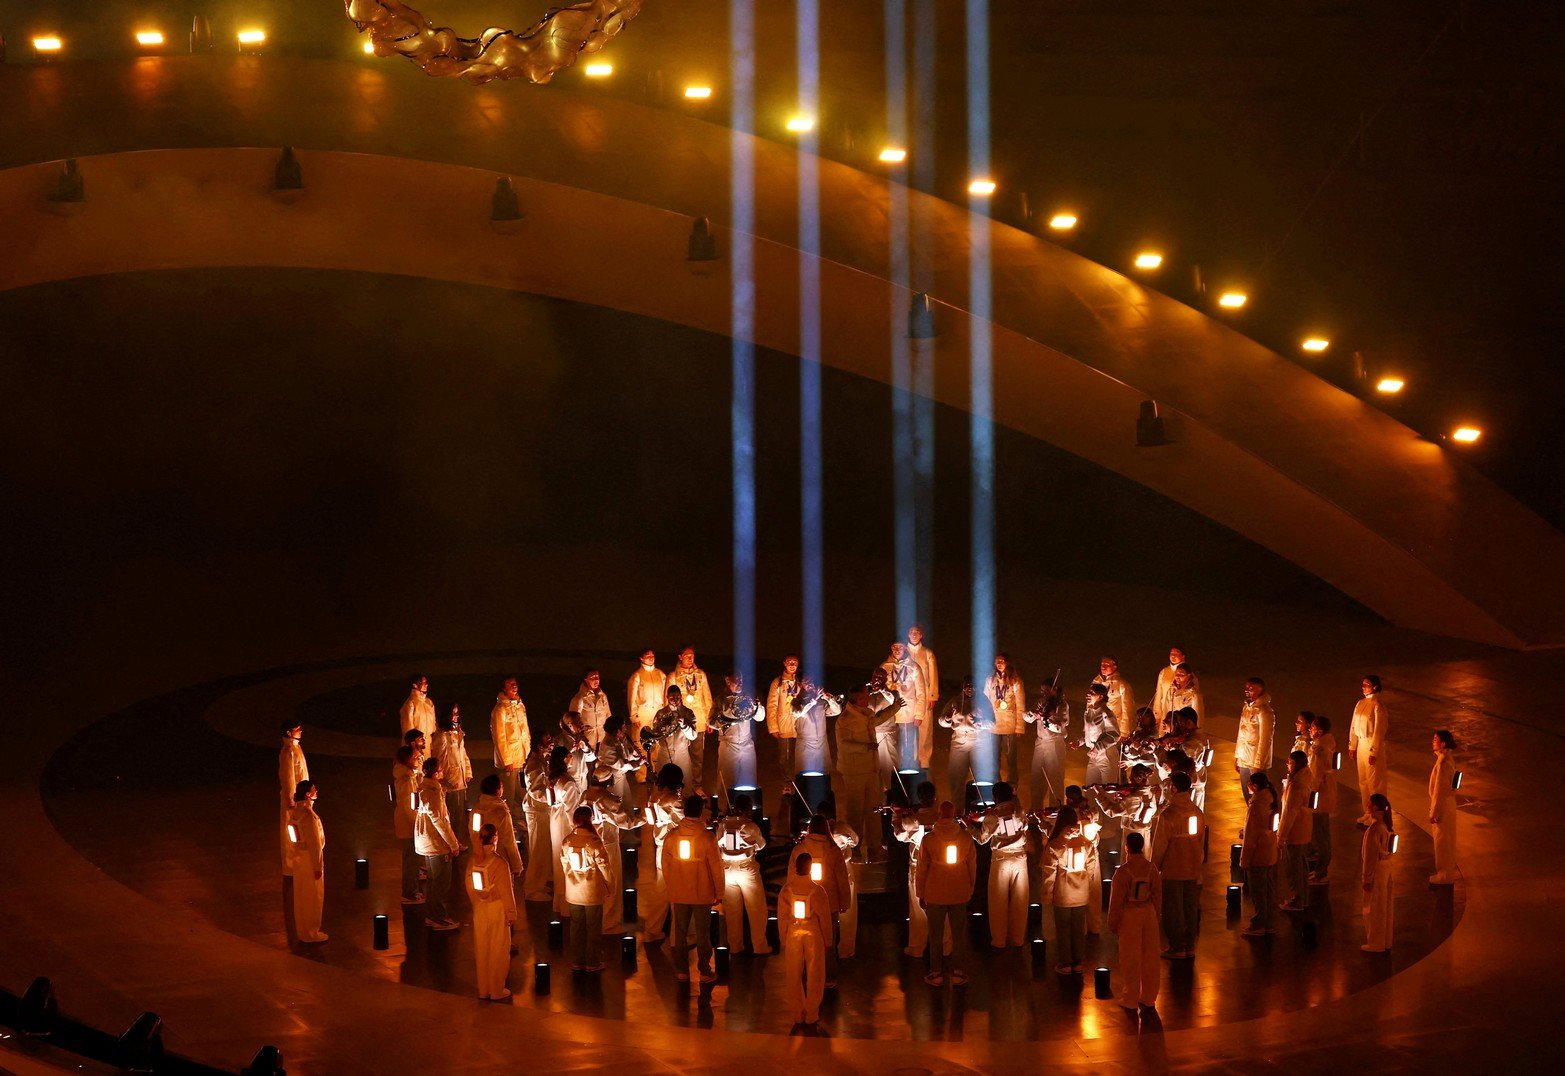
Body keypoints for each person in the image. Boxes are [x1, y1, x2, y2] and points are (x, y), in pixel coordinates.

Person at [662, 795, 723, 984]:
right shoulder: (707, 837)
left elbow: (665, 864)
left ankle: (681, 970)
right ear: (701, 811)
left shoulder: (672, 835)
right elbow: (716, 867)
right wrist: (719, 892)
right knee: (703, 932)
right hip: (702, 892)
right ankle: (705, 970)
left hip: (679, 891)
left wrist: (672, 885)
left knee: (680, 931)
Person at [915, 801, 977, 986]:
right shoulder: (966, 838)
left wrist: (920, 892)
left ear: (939, 815)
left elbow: (922, 869)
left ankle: (936, 972)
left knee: (935, 935)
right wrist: (970, 888)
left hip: (934, 893)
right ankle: (958, 972)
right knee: (958, 935)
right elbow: (972, 867)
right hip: (959, 892)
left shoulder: (929, 839)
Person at [834, 681, 894, 862]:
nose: (868, 698)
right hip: (854, 772)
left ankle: (875, 847)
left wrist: (895, 708)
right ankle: (855, 847)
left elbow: (877, 720)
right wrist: (865, 747)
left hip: (870, 769)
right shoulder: (845, 720)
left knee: (874, 810)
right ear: (858, 699)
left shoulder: (866, 713)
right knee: (855, 810)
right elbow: (844, 745)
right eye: (865, 697)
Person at [581, 764, 641, 933]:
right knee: (611, 882)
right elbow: (626, 822)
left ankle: (594, 920)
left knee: (595, 883)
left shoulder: (586, 794)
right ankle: (609, 921)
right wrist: (646, 818)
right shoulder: (606, 798)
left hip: (589, 842)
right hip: (607, 843)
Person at [895, 781, 951, 959]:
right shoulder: (940, 818)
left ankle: (917, 947)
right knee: (942, 907)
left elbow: (899, 835)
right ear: (935, 798)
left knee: (917, 909)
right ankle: (946, 946)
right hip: (940, 868)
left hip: (917, 867)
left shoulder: (912, 820)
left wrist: (896, 816)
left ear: (918, 798)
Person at [1151, 771, 1204, 959]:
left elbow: (1159, 846)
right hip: (1192, 865)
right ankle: (1190, 944)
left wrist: (1155, 866)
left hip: (1173, 868)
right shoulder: (1197, 812)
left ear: (1173, 788)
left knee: (1173, 908)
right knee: (1190, 906)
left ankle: (1177, 946)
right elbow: (1200, 840)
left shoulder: (1168, 815)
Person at [778, 853, 833, 1031]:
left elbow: (782, 916)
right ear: (811, 868)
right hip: (813, 931)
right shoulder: (817, 890)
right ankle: (811, 1012)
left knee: (793, 972)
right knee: (815, 971)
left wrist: (783, 936)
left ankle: (797, 1012)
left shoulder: (787, 889)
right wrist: (828, 938)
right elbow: (825, 917)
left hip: (794, 931)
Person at [1108, 830, 1161, 1015]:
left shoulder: (1123, 872)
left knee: (1130, 956)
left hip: (1130, 914)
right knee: (1151, 955)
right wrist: (1157, 914)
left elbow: (1116, 901)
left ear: (1127, 847)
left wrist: (1113, 922)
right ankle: (1149, 996)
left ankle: (1130, 997)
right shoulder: (1151, 868)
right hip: (1149, 913)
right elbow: (1157, 894)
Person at [977, 781, 1034, 948]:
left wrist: (969, 827)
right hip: (1019, 858)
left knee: (997, 901)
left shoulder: (992, 816)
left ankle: (999, 940)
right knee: (1021, 900)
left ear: (995, 797)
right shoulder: (1020, 811)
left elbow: (982, 839)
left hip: (1000, 859)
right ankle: (1017, 939)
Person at [560, 805, 614, 972]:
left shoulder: (567, 841)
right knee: (593, 927)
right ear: (590, 819)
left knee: (576, 927)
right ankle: (593, 961)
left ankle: (577, 960)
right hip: (592, 891)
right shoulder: (594, 842)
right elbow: (605, 868)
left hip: (573, 892)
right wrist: (609, 885)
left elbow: (564, 866)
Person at [715, 794, 771, 954]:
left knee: (732, 910)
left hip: (727, 869)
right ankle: (760, 946)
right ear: (748, 808)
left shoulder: (723, 824)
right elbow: (761, 845)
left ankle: (735, 946)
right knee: (756, 908)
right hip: (746, 868)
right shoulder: (751, 826)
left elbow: (717, 843)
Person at [1046, 805, 1097, 974]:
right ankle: (1078, 961)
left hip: (1062, 892)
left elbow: (1049, 872)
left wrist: (1047, 894)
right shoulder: (1085, 841)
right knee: (1078, 928)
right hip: (1081, 892)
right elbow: (1091, 868)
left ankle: (1065, 963)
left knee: (1063, 929)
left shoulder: (1056, 844)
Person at [471, 774, 523, 938]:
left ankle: (487, 931)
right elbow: (508, 840)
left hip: (480, 858)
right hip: (500, 859)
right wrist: (517, 864)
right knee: (504, 896)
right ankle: (506, 936)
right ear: (497, 790)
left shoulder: (476, 810)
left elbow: (474, 834)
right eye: (501, 786)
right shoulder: (501, 811)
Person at [638, 764, 686, 942]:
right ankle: (678, 936)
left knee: (661, 891)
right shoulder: (674, 799)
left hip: (659, 848)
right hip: (675, 850)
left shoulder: (654, 796)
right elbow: (687, 819)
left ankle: (652, 930)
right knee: (678, 892)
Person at [468, 822, 517, 997]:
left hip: (480, 909)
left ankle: (483, 989)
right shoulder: (499, 863)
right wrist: (511, 913)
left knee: (482, 949)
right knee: (498, 949)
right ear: (495, 838)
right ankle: (496, 989)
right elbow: (506, 891)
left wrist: (478, 902)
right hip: (497, 909)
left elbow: (470, 887)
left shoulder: (474, 860)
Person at [415, 756, 462, 930]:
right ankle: (438, 917)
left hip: (427, 842)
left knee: (434, 880)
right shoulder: (432, 793)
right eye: (441, 769)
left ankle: (432, 914)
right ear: (435, 774)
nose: (443, 771)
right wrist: (453, 843)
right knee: (441, 882)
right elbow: (439, 820)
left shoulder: (425, 788)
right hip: (436, 843)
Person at [546, 743, 590, 917]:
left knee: (558, 861)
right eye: (569, 756)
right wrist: (579, 828)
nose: (572, 757)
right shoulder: (568, 782)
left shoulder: (554, 778)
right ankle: (567, 905)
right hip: (565, 823)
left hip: (555, 821)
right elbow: (571, 810)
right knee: (568, 862)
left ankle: (559, 903)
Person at [1240, 772, 1279, 938]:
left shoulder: (1256, 805)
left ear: (1254, 786)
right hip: (1270, 849)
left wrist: (1244, 859)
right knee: (1269, 889)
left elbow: (1251, 835)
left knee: (1258, 891)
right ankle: (1269, 922)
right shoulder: (1271, 799)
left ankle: (1259, 923)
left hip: (1258, 853)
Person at [287, 780, 327, 943]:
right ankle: (311, 932)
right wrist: (317, 866)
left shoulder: (295, 812)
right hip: (309, 860)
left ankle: (302, 930)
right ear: (307, 794)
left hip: (298, 858)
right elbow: (315, 844)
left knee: (301, 896)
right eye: (313, 789)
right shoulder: (309, 816)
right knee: (313, 897)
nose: (316, 790)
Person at [713, 670, 767, 792]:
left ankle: (747, 806)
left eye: (741, 680)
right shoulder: (720, 700)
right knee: (727, 779)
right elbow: (710, 722)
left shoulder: (747, 697)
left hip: (746, 744)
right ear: (727, 681)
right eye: (736, 680)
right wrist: (725, 720)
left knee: (749, 777)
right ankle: (724, 807)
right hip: (728, 745)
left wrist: (757, 706)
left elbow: (760, 718)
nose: (740, 683)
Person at [669, 648, 714, 789]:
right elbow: (668, 701)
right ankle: (679, 785)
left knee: (697, 757)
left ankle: (697, 785)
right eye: (687, 656)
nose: (690, 658)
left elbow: (707, 697)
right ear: (680, 657)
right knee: (680, 756)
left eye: (692, 656)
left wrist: (709, 720)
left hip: (699, 722)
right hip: (681, 722)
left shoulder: (700, 674)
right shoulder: (673, 676)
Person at [491, 678, 531, 831]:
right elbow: (499, 737)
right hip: (510, 761)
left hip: (522, 758)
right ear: (504, 688)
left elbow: (525, 731)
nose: (514, 686)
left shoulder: (520, 706)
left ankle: (519, 820)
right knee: (508, 793)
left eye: (515, 683)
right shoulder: (500, 709)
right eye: (509, 684)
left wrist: (527, 754)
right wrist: (506, 760)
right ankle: (506, 824)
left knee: (521, 792)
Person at [882, 641, 929, 773]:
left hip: (907, 712)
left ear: (905, 649)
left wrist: (919, 714)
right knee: (890, 746)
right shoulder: (885, 667)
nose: (897, 650)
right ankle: (892, 775)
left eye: (900, 647)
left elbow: (921, 692)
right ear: (891, 648)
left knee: (908, 746)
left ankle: (908, 773)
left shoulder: (913, 667)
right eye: (894, 647)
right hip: (889, 713)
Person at [938, 677, 987, 803]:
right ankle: (957, 810)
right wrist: (947, 719)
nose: (969, 689)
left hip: (977, 741)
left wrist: (980, 722)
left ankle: (980, 807)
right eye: (967, 686)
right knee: (956, 777)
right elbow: (941, 720)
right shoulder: (955, 701)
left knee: (980, 777)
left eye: (972, 686)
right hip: (959, 740)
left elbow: (992, 722)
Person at [520, 736, 556, 902]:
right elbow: (536, 791)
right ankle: (533, 888)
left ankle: (540, 883)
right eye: (547, 740)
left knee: (543, 847)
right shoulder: (535, 765)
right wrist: (554, 797)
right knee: (538, 850)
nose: (551, 742)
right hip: (537, 810)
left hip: (542, 809)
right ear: (539, 746)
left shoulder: (542, 761)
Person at [1278, 750, 1315, 911]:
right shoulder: (1306, 778)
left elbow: (1289, 813)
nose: (1287, 764)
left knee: (1294, 867)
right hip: (1304, 828)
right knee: (1301, 864)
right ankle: (1304, 896)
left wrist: (1281, 835)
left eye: (1290, 762)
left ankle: (1297, 899)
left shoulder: (1296, 785)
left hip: (1295, 830)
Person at [1349, 676, 1388, 825]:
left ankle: (1377, 815)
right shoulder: (1360, 703)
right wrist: (1352, 745)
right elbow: (1353, 725)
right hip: (1361, 745)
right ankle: (1368, 811)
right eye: (1363, 684)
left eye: (1367, 685)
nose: (1363, 687)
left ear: (1375, 687)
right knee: (1363, 781)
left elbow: (1379, 731)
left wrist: (1374, 752)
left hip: (1371, 743)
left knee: (1375, 782)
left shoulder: (1378, 706)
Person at [1025, 679, 1069, 810]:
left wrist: (1047, 720)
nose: (1044, 693)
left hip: (1054, 743)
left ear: (1054, 689)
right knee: (1036, 777)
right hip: (1040, 742)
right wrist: (1033, 713)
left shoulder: (1062, 705)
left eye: (1046, 690)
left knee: (1055, 778)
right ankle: (1036, 810)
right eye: (1042, 691)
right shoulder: (1041, 702)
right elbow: (1027, 718)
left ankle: (1055, 810)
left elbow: (1061, 727)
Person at [984, 654, 1027, 784]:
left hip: (1009, 726)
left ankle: (1012, 784)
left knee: (1011, 758)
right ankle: (996, 783)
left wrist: (1020, 727)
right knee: (994, 757)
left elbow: (1020, 704)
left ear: (1008, 663)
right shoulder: (990, 679)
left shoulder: (1015, 681)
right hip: (993, 725)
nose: (999, 663)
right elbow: (984, 701)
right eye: (997, 661)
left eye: (1002, 660)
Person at [1361, 792, 1395, 952]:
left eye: (1369, 803)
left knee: (1374, 909)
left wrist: (1366, 879)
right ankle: (1386, 940)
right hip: (1386, 868)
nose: (1366, 805)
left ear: (1374, 807)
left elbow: (1369, 858)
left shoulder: (1374, 830)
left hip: (1376, 871)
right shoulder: (1387, 827)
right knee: (1385, 906)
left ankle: (1375, 942)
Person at [1305, 713, 1338, 883]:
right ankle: (1321, 868)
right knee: (1322, 832)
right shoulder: (1325, 745)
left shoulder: (1319, 749)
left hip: (1320, 796)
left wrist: (1310, 794)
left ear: (1319, 730)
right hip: (1325, 794)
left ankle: (1321, 870)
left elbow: (1316, 775)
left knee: (1320, 833)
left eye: (1312, 727)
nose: (1309, 730)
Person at [648, 686, 699, 785]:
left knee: (684, 783)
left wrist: (684, 726)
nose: (675, 700)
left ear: (681, 696)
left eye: (677, 697)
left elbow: (693, 736)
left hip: (682, 754)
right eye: (672, 698)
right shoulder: (661, 713)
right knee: (663, 784)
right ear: (667, 697)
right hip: (664, 754)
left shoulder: (687, 712)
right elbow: (655, 734)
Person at [791, 675, 841, 778]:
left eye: (812, 681)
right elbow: (798, 713)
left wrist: (829, 698)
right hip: (805, 743)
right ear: (801, 684)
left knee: (823, 773)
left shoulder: (821, 700)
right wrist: (813, 699)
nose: (810, 683)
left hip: (821, 743)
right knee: (804, 774)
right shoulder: (796, 700)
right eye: (806, 681)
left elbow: (837, 711)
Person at [433, 705, 472, 833]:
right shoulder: (442, 736)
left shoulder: (457, 733)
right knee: (451, 814)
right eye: (453, 713)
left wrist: (467, 772)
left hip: (460, 779)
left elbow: (463, 754)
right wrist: (446, 780)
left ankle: (457, 842)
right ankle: (451, 844)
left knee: (459, 813)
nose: (456, 716)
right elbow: (440, 761)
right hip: (451, 782)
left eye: (457, 713)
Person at [391, 745, 423, 906]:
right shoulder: (407, 780)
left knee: (411, 858)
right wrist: (418, 826)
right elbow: (409, 807)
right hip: (409, 826)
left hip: (407, 823)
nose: (419, 760)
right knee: (411, 860)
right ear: (409, 760)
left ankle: (411, 890)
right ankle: (409, 892)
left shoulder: (408, 776)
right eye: (417, 758)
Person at [1235, 678, 1275, 801]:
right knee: (1247, 794)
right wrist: (1237, 756)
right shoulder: (1247, 707)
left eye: (1251, 688)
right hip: (1244, 759)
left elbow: (1265, 739)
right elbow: (1241, 734)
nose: (1247, 690)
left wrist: (1258, 764)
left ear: (1260, 690)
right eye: (1246, 687)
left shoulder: (1265, 711)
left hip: (1255, 762)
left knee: (1259, 796)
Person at [1429, 730, 1461, 885]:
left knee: (1442, 842)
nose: (1432, 742)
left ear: (1443, 743)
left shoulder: (1443, 763)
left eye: (1436, 739)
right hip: (1448, 804)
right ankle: (1446, 873)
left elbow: (1438, 791)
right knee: (1447, 840)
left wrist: (1434, 812)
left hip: (1443, 807)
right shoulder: (1448, 759)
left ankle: (1444, 875)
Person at [906, 625, 940, 767]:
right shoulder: (903, 651)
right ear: (908, 635)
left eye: (917, 632)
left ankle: (924, 759)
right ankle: (909, 758)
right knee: (907, 727)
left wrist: (933, 696)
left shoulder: (927, 653)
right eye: (912, 632)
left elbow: (933, 676)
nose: (914, 634)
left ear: (921, 635)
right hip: (908, 697)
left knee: (925, 729)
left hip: (924, 696)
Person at [278, 722, 308, 877]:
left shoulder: (296, 748)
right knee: (292, 833)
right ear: (289, 733)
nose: (301, 731)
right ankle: (291, 868)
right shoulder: (288, 752)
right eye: (297, 729)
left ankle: (299, 862)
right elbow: (288, 778)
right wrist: (292, 802)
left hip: (301, 799)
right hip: (294, 802)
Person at [1080, 685, 1121, 786]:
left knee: (1108, 790)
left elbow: (1114, 734)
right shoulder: (1088, 712)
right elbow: (1089, 733)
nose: (1088, 694)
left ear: (1101, 696)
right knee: (1090, 789)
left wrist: (1098, 748)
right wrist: (1080, 741)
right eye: (1089, 692)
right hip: (1093, 756)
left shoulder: (1106, 712)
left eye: (1092, 693)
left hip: (1106, 754)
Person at [1093, 655, 1137, 739]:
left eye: (1107, 665)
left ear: (1114, 666)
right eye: (1102, 664)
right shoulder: (1096, 681)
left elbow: (1128, 708)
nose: (1103, 667)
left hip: (1114, 726)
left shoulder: (1122, 684)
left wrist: (1124, 731)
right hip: (1098, 724)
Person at [627, 649, 668, 739]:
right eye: (648, 656)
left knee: (658, 740)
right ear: (641, 658)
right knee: (641, 741)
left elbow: (666, 695)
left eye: (652, 656)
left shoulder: (660, 674)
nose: (651, 658)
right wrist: (634, 717)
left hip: (658, 712)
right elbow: (631, 698)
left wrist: (666, 711)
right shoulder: (637, 675)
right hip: (643, 714)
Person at [569, 668, 612, 750]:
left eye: (597, 677)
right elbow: (572, 721)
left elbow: (608, 715)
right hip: (588, 740)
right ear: (586, 680)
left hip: (603, 739)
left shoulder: (603, 696)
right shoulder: (579, 698)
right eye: (592, 677)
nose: (596, 680)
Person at [1150, 647, 1187, 727]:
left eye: (1176, 653)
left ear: (1183, 656)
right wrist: (1157, 714)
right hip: (1165, 713)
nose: (1173, 656)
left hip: (1180, 714)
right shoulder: (1164, 672)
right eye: (1171, 654)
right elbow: (1158, 694)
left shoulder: (1188, 674)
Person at [1165, 664, 1204, 733]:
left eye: (1181, 674)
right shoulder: (1171, 691)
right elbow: (1166, 711)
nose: (1177, 676)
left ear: (1188, 676)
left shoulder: (1193, 694)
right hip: (1172, 730)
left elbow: (1198, 718)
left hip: (1185, 731)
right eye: (1176, 674)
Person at [400, 675, 436, 741]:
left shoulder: (429, 702)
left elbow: (433, 724)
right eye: (423, 683)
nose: (426, 685)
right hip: (416, 744)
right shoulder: (410, 703)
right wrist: (414, 743)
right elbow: (408, 727)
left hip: (428, 744)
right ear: (415, 685)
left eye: (426, 682)